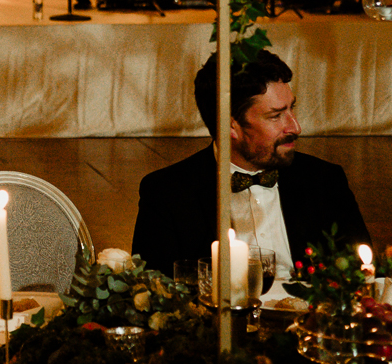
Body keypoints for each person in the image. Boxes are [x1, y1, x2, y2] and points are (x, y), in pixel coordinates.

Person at [131, 51, 367, 277]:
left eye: (291, 108)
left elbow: (360, 274)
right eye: (275, 116)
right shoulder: (167, 194)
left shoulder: (324, 181)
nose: (295, 127)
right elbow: (157, 293)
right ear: (231, 126)